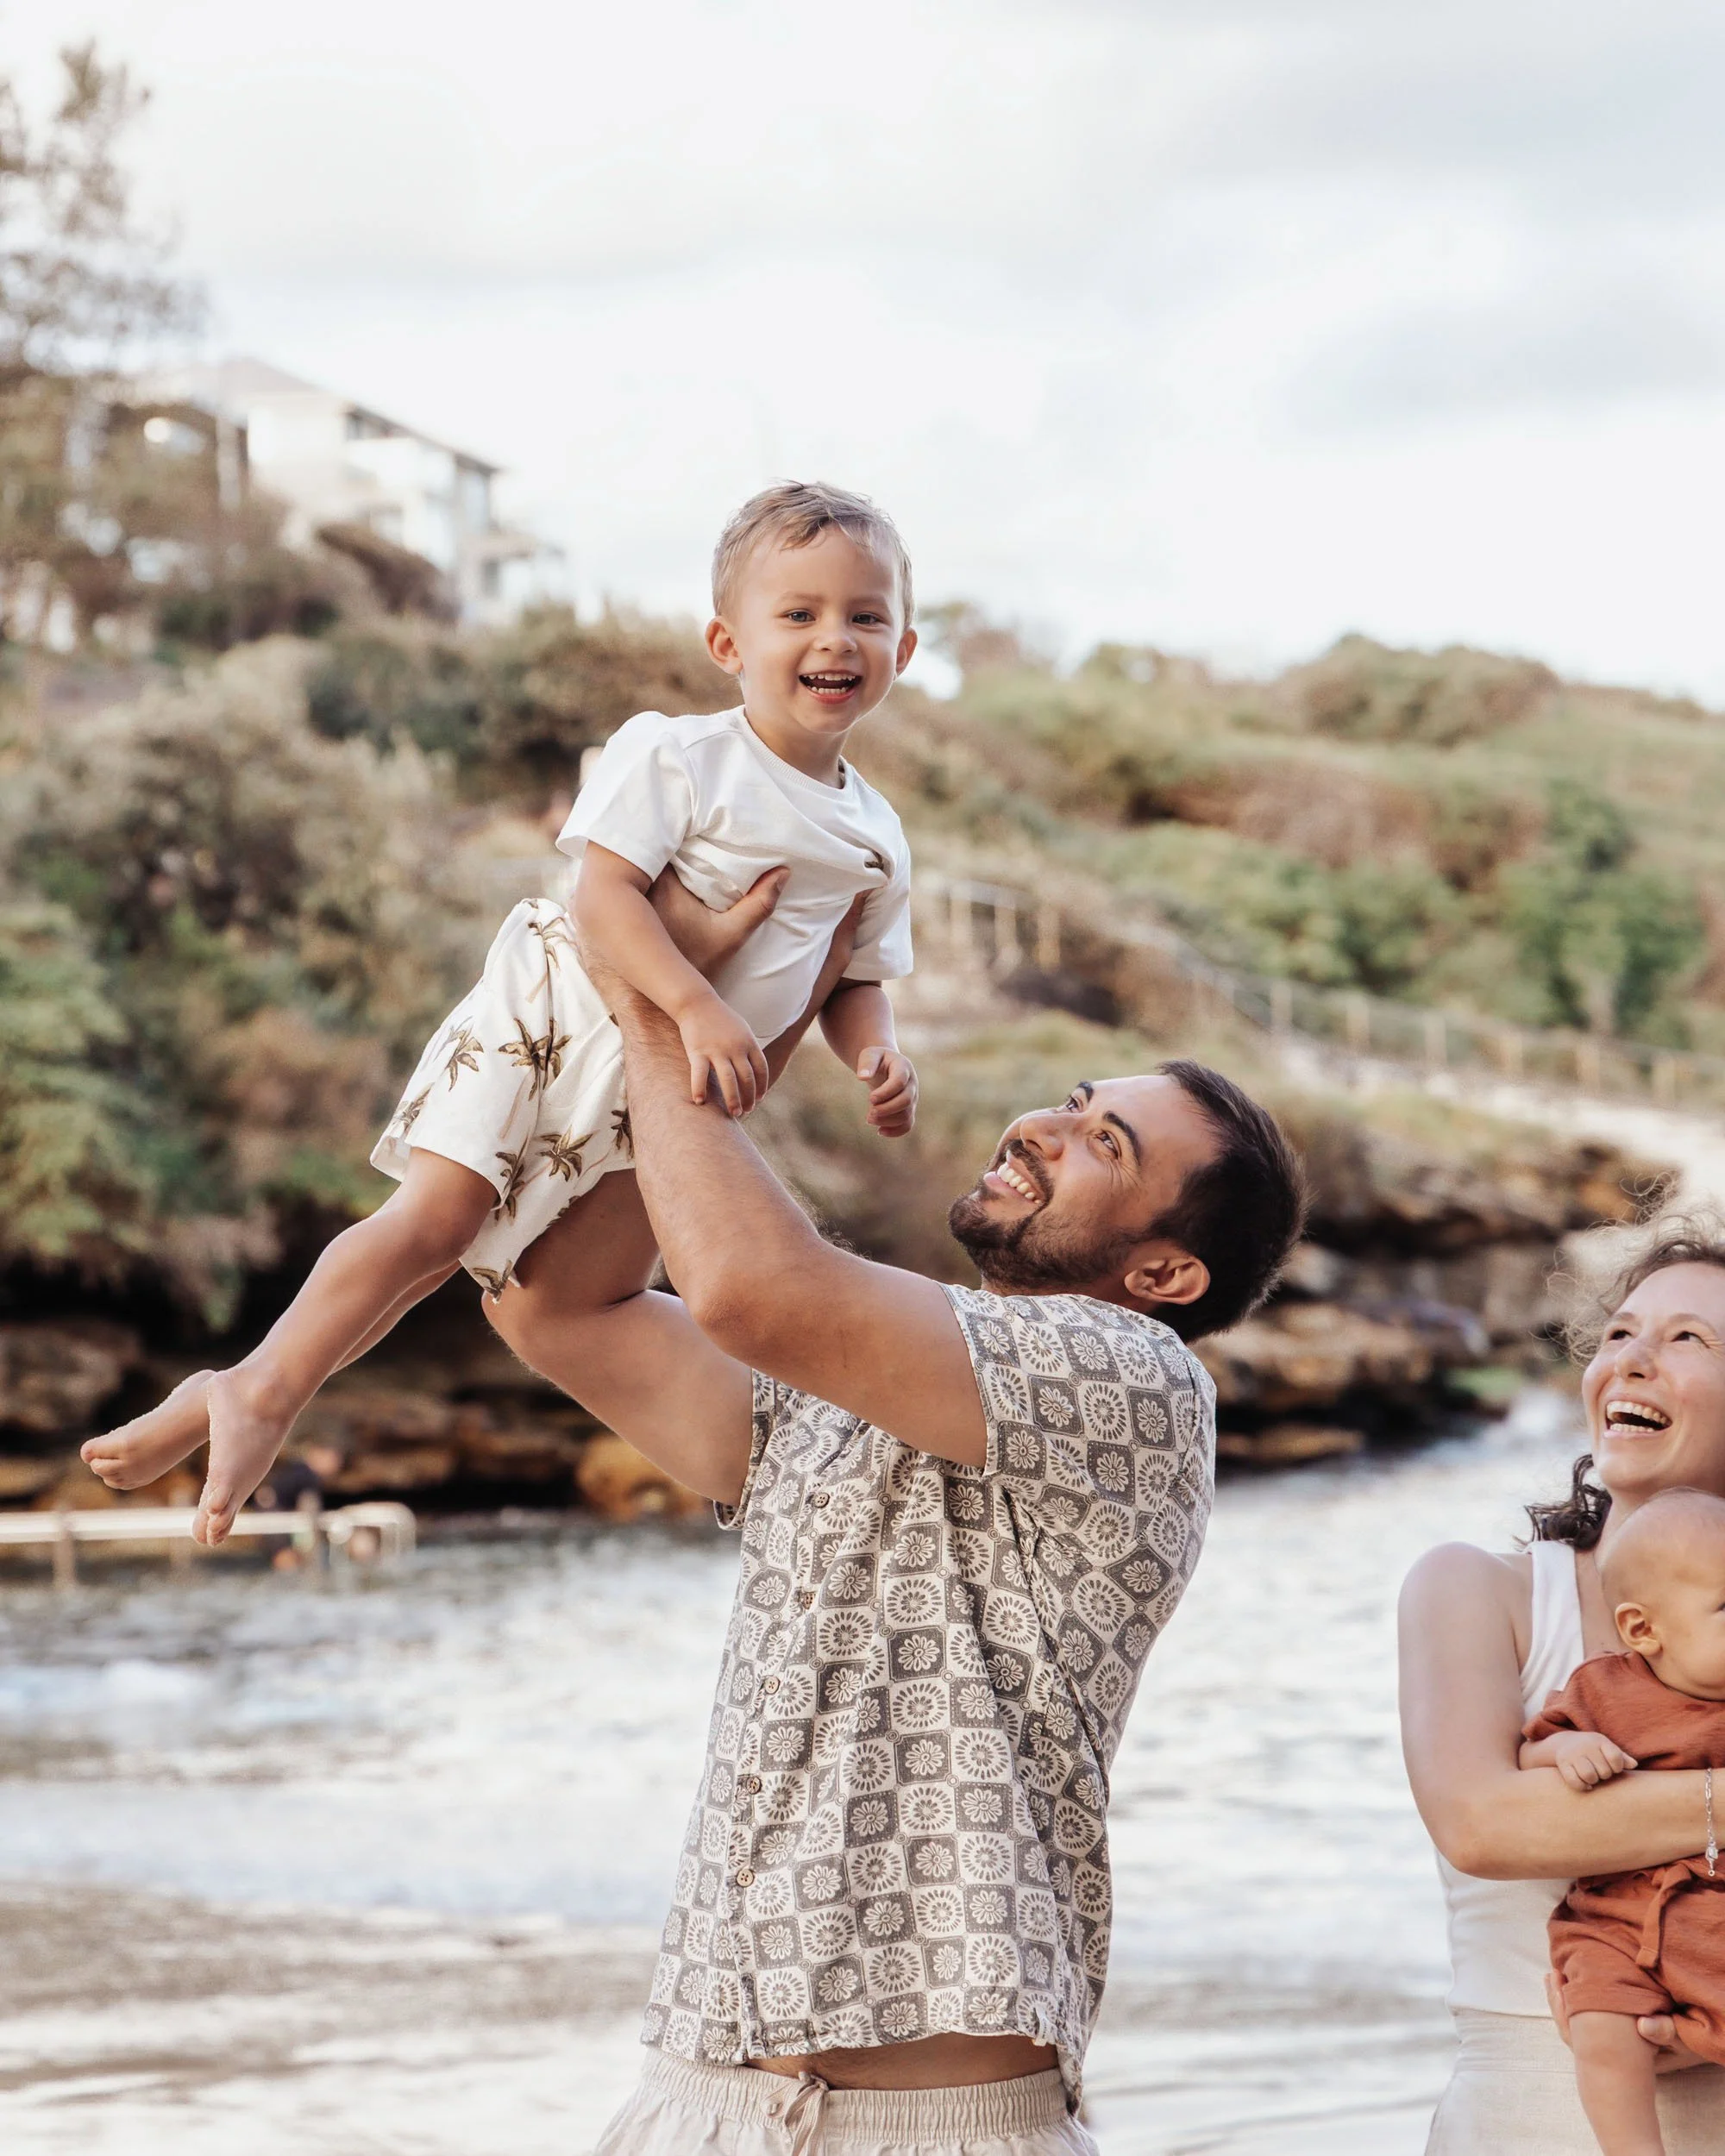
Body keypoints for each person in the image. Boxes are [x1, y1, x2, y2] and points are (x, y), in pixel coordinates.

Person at [482, 881, 1306, 2154]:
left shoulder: (1139, 1383)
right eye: (1076, 1104)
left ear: (1163, 1274)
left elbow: (753, 1289)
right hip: (706, 2100)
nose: (1043, 1126)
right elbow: (555, 1307)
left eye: (1105, 1146)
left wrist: (667, 1003)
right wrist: (699, 999)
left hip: (937, 2126)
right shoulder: (839, 1396)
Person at [79, 480, 923, 1547]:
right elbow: (603, 897)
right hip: (560, 1012)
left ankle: (243, 1390)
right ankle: (261, 1386)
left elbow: (853, 977)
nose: (833, 639)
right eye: (796, 614)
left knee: (537, 1277)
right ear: (726, 640)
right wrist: (694, 1003)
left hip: (657, 1091)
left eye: (864, 615)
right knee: (433, 1220)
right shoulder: (678, 753)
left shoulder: (878, 832)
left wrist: (876, 1057)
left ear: (904, 642)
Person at [1400, 1220, 1725, 2153]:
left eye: (1688, 1339)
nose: (1629, 1361)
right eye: (1618, 1334)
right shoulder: (1478, 1589)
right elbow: (1483, 1823)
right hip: (1525, 2120)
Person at [1517, 1489, 1725, 2156]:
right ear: (1643, 1630)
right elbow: (1530, 1750)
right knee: (1603, 2027)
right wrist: (1566, 1749)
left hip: (1716, 1918)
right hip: (1618, 1917)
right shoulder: (1605, 1689)